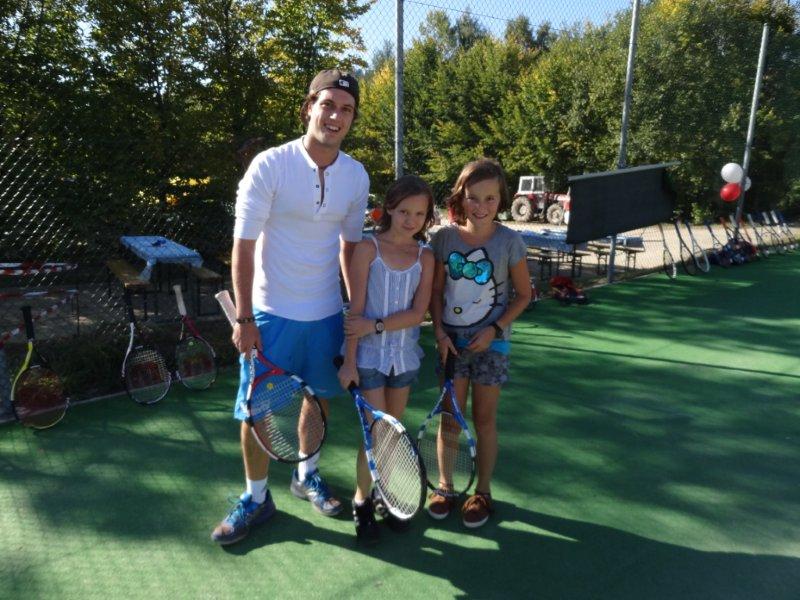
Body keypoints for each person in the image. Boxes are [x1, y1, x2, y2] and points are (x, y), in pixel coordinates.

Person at [211, 68, 370, 545]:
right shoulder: (269, 166)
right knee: (256, 411)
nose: (336, 116)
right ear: (308, 108)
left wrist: (353, 312)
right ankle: (256, 499)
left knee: (317, 400)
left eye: (346, 109)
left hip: (326, 314)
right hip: (269, 314)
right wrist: (244, 317)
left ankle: (306, 476)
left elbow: (350, 248)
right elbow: (243, 245)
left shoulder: (356, 176)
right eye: (328, 105)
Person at [429, 158, 531, 529]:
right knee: (450, 420)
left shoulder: (510, 241)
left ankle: (483, 492)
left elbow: (524, 294)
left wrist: (495, 329)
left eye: (490, 198)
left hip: (493, 347)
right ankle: (445, 487)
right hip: (452, 346)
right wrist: (440, 333)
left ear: (501, 200)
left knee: (484, 420)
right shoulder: (444, 239)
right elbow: (435, 292)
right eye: (474, 197)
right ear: (461, 197)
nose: (481, 206)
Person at [337, 174, 436, 545]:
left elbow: (418, 314)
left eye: (420, 214)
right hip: (368, 359)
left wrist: (375, 325)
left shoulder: (426, 256)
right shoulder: (368, 249)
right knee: (375, 434)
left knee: (393, 435)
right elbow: (355, 313)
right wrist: (349, 362)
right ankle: (361, 501)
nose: (411, 220)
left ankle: (385, 493)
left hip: (404, 359)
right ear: (389, 208)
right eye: (404, 211)